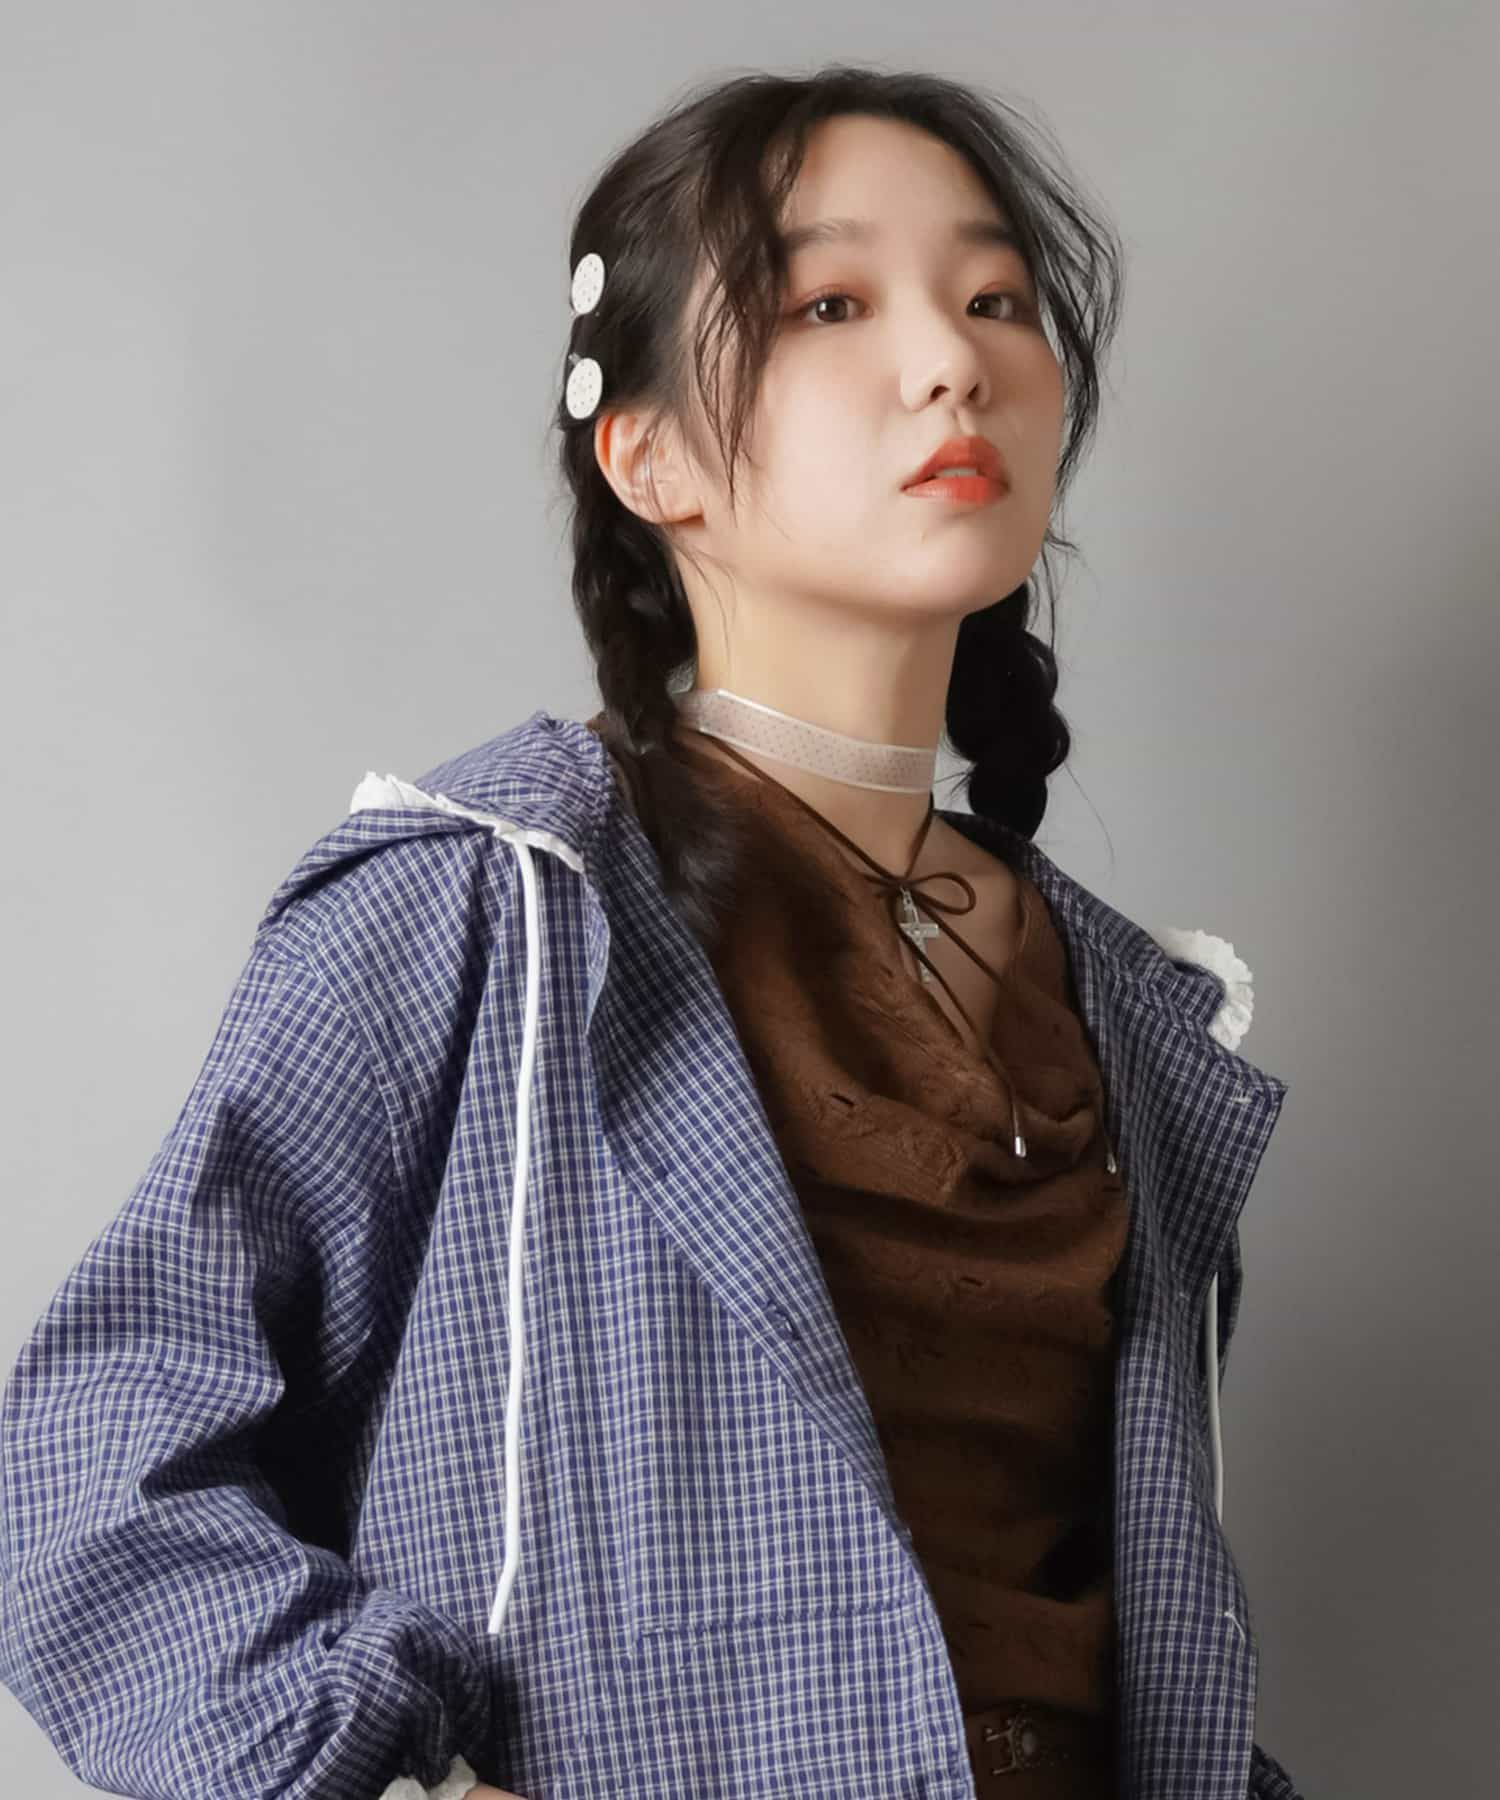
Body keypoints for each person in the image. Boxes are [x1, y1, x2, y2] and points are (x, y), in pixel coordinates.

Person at [0, 65, 1302, 1800]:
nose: (951, 359)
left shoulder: (1132, 1016)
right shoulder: (485, 905)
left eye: (996, 299)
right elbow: (82, 1465)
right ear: (652, 454)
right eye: (830, 305)